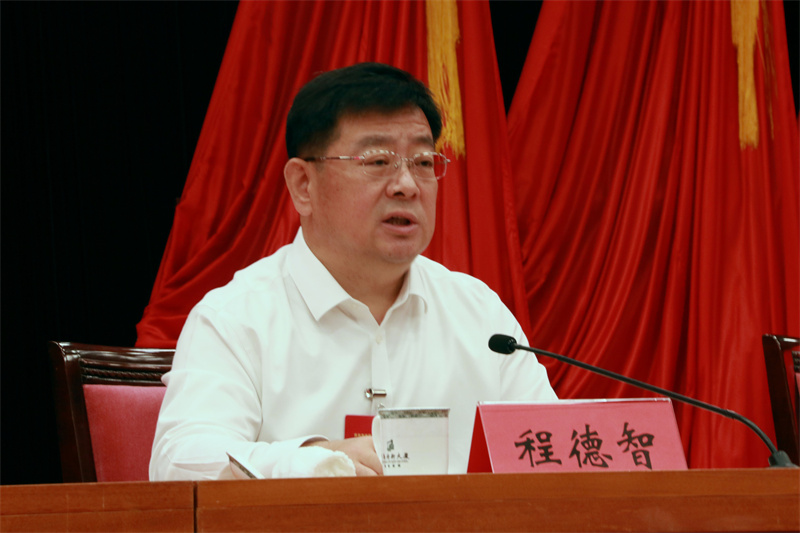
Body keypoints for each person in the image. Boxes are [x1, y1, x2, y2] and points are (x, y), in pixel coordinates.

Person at [150, 62, 556, 480]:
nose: (407, 185)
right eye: (378, 161)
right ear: (303, 185)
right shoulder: (237, 319)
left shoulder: (480, 317)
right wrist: (316, 460)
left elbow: (556, 460)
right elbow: (180, 464)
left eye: (422, 162)